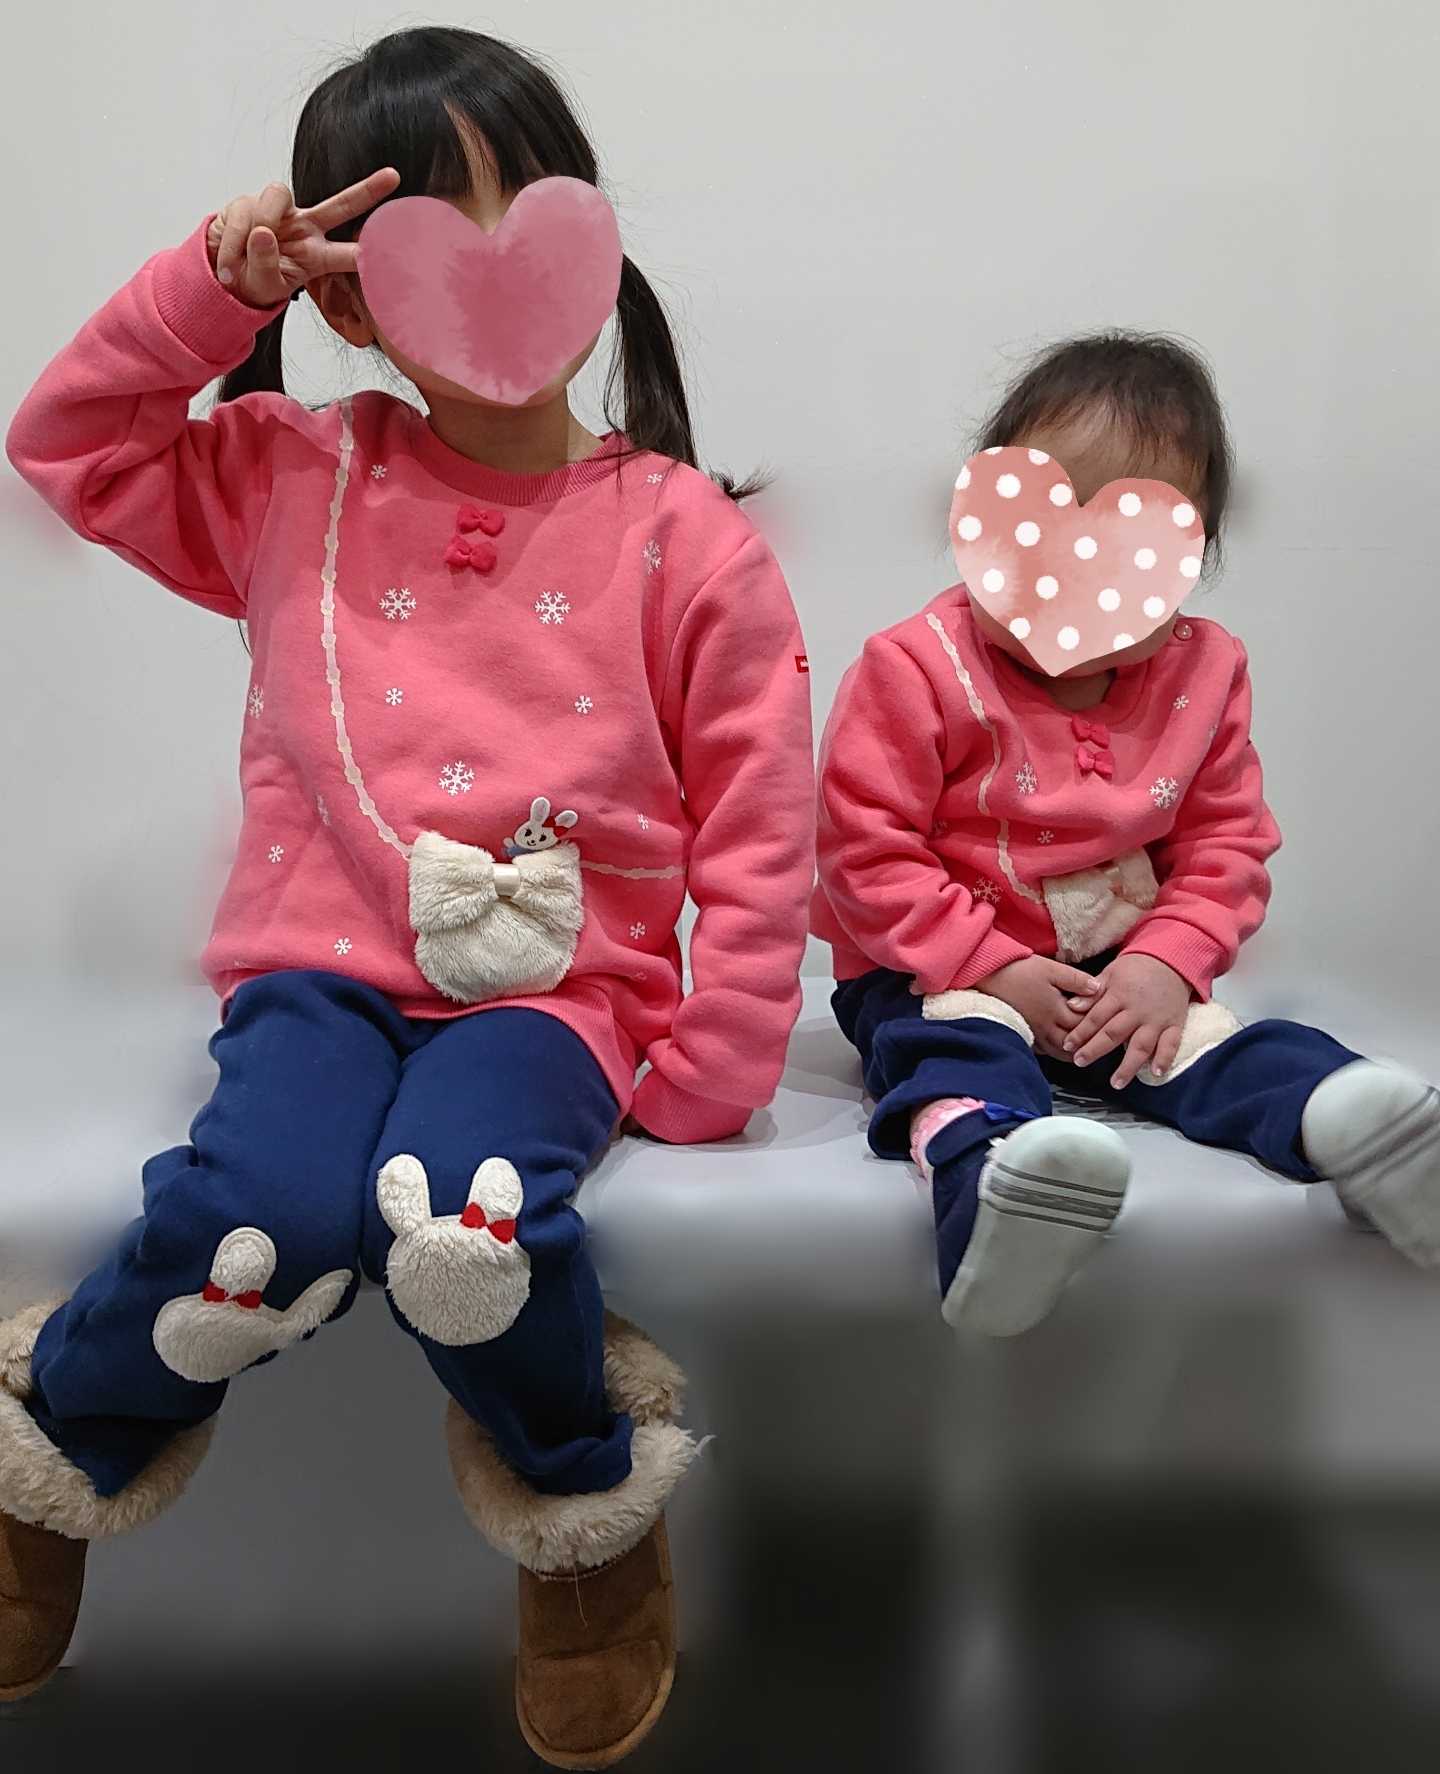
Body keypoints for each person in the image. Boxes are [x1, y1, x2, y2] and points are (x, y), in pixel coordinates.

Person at [0, 27, 813, 1766]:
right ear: (348, 301)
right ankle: (53, 1442)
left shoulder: (683, 532)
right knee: (257, 1223)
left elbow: (760, 811)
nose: (496, 256)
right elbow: (68, 446)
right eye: (436, 230)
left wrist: (722, 1051)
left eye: (529, 206)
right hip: (315, 981)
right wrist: (208, 296)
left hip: (552, 1001)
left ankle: (581, 1503)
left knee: (463, 1221)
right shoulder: (292, 472)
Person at [813, 332, 1439, 1339]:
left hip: (1119, 972)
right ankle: (997, 1195)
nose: (1075, 577)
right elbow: (863, 851)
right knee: (956, 1049)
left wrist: (1165, 961)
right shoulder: (916, 668)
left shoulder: (1205, 672)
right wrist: (991, 964)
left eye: (1125, 547)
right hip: (937, 966)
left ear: (1190, 561)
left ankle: (1358, 1130)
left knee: (1223, 1045)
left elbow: (1227, 844)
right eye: (1043, 534)